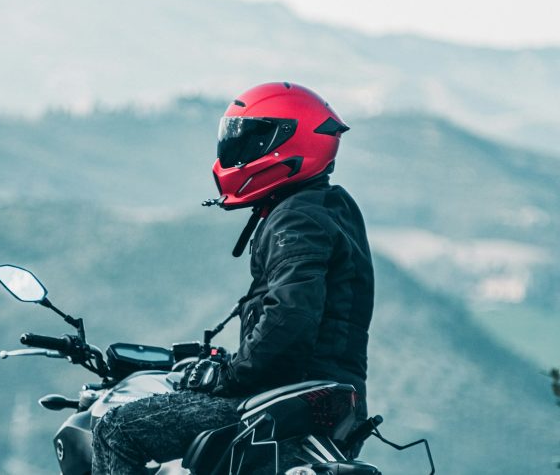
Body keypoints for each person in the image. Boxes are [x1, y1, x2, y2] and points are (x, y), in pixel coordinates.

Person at [92, 82, 374, 474]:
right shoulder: (326, 207)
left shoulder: (297, 219)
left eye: (252, 139)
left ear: (291, 143)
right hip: (329, 397)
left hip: (291, 397)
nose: (237, 151)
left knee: (117, 429)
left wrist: (228, 374)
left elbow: (290, 317)